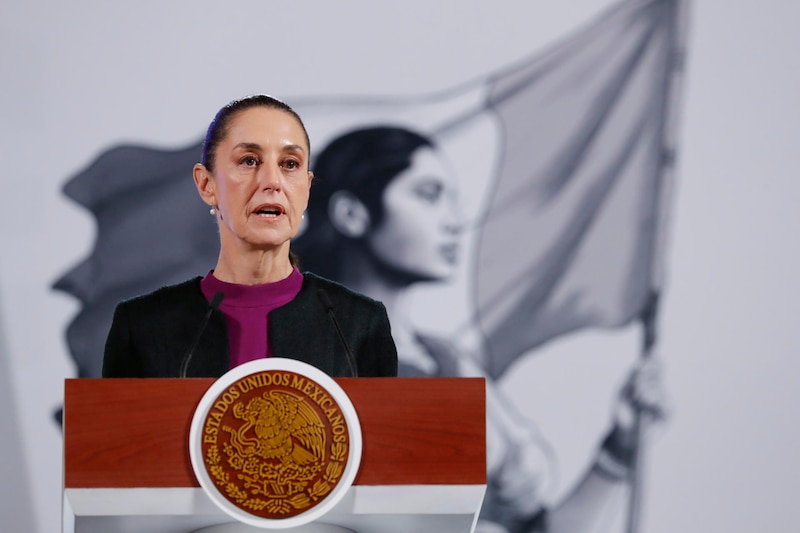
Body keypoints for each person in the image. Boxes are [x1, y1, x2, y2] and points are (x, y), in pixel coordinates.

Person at [293, 126, 667, 533]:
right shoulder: (294, 357)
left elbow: (537, 528)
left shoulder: (448, 360)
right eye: (429, 195)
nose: (455, 221)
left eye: (453, 199)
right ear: (352, 213)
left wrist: (618, 451)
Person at [102, 95, 398, 379]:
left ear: (307, 189)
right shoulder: (143, 326)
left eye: (290, 164)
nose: (272, 181)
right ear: (206, 184)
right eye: (248, 161)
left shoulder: (360, 325)